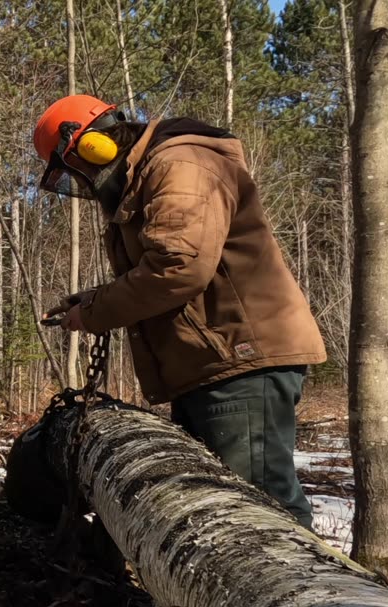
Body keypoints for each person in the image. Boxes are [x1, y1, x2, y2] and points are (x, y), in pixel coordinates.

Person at [33, 94, 326, 528]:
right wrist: (91, 299)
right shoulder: (150, 173)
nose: (87, 182)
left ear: (95, 145)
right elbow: (166, 264)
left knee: (264, 514)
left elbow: (180, 267)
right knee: (217, 509)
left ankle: (306, 596)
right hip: (212, 362)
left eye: (80, 169)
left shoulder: (181, 165)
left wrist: (96, 311)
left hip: (240, 358)